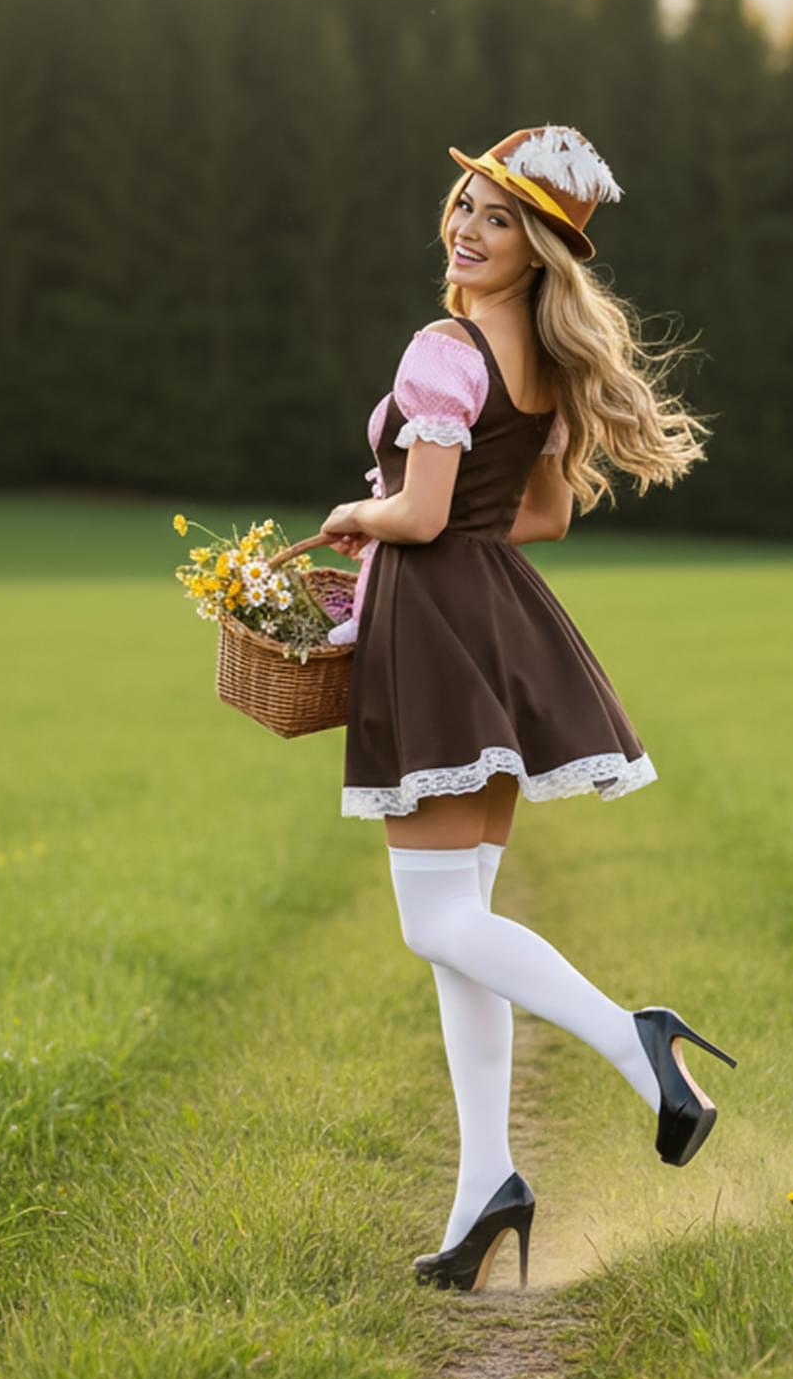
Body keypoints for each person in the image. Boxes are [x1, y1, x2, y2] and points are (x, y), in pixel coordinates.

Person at [314, 124, 738, 1294]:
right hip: (496, 621)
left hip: (435, 629)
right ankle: (482, 1189)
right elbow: (538, 516)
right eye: (463, 203)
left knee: (434, 925)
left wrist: (366, 518)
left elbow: (424, 512)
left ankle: (634, 1040)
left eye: (497, 217)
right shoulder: (540, 363)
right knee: (463, 937)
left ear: (538, 248)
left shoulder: (441, 348)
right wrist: (429, 522)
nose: (467, 227)